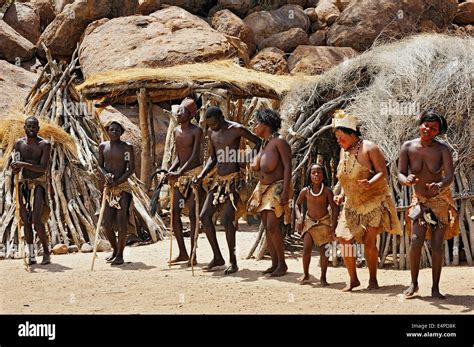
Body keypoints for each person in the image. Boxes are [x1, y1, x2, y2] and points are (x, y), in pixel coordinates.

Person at [332, 109, 401, 291]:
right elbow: (346, 179)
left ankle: (373, 279)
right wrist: (341, 194)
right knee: (344, 239)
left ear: (351, 134)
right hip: (352, 203)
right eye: (337, 138)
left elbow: (382, 172)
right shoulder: (343, 152)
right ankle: (353, 279)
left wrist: (370, 183)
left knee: (370, 241)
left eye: (341, 137)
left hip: (373, 200)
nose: (339, 141)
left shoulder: (370, 148)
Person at [398, 110, 458, 299]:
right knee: (416, 241)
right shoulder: (408, 147)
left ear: (437, 132)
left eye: (433, 128)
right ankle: (414, 283)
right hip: (420, 201)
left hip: (439, 201)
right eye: (426, 125)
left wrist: (439, 184)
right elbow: (400, 173)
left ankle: (435, 288)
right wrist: (406, 179)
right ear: (420, 125)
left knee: (437, 245)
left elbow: (449, 176)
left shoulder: (442, 150)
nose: (428, 130)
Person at [195, 106, 261, 275]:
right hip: (219, 181)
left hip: (234, 180)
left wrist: (247, 158)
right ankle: (218, 257)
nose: (212, 127)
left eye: (215, 124)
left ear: (222, 118)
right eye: (209, 125)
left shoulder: (236, 129)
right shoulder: (211, 133)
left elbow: (258, 141)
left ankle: (233, 261)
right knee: (204, 216)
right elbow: (213, 158)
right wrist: (202, 175)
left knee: (227, 220)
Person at [248, 109, 292, 277]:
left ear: (266, 124)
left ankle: (282, 264)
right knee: (267, 226)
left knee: (273, 225)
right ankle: (275, 264)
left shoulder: (280, 142)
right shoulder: (264, 143)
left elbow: (288, 166)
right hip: (264, 188)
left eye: (257, 123)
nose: (255, 126)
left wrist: (286, 192)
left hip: (277, 187)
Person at [165, 98, 203, 266]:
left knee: (194, 215)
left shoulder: (197, 131)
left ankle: (194, 253)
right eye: (178, 111)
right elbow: (179, 157)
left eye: (181, 111)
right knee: (174, 212)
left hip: (194, 175)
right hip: (180, 177)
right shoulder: (176, 131)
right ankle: (182, 252)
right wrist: (170, 170)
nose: (178, 114)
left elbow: (195, 156)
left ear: (190, 114)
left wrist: (179, 172)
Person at [11, 116, 52, 265]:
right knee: (26, 219)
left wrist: (24, 164)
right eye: (29, 127)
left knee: (36, 219)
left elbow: (43, 167)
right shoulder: (19, 144)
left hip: (39, 184)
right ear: (24, 128)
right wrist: (15, 168)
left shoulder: (44, 145)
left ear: (38, 128)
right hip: (24, 184)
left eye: (34, 127)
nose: (31, 129)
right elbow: (16, 162)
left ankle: (47, 253)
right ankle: (32, 254)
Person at [98, 120, 135, 266]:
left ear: (121, 132)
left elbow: (131, 169)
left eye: (117, 130)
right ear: (107, 131)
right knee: (106, 224)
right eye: (112, 130)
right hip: (109, 188)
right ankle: (114, 250)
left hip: (123, 187)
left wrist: (118, 181)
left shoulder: (127, 148)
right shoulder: (103, 147)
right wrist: (106, 174)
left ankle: (120, 254)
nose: (114, 132)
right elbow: (100, 165)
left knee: (121, 223)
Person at [295, 164, 339, 285]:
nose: (316, 175)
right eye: (313, 173)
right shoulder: (305, 191)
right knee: (306, 248)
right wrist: (299, 218)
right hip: (309, 222)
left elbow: (335, 209)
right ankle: (306, 274)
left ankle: (323, 278)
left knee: (324, 251)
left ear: (323, 175)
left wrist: (333, 225)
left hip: (324, 222)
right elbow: (297, 204)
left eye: (319, 172)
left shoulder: (327, 191)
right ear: (309, 175)